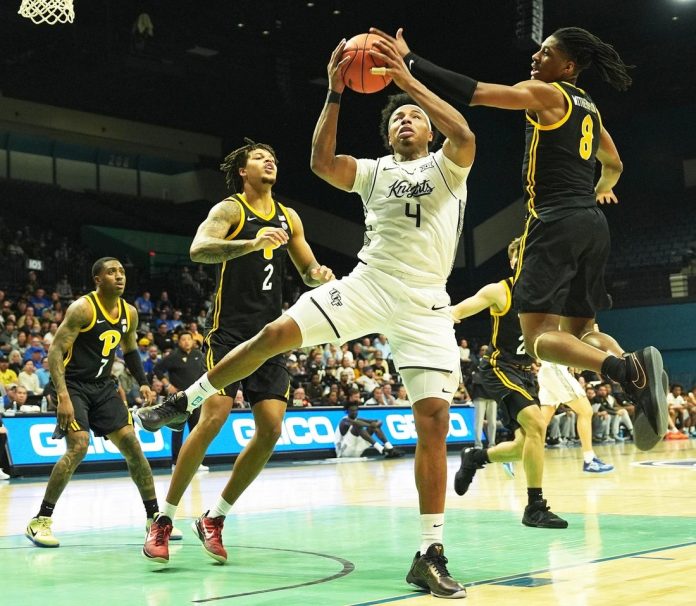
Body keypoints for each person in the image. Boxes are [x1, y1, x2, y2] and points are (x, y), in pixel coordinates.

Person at [137, 39, 475, 599]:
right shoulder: (373, 173)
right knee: (274, 335)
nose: (406, 120)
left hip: (426, 304)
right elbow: (322, 163)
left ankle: (429, 553)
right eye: (397, 118)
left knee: (434, 420)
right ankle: (183, 401)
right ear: (387, 134)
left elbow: (464, 134)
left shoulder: (448, 165)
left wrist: (408, 81)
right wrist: (335, 91)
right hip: (370, 283)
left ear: (429, 129)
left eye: (416, 116)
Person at [370, 26, 668, 451]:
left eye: (546, 53)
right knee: (583, 330)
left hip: (554, 220)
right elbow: (614, 163)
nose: (536, 57)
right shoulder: (590, 109)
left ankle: (627, 371)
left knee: (539, 340)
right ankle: (636, 382)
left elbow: (476, 93)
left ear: (568, 66)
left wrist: (412, 62)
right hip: (593, 224)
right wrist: (600, 188)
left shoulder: (547, 93)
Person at [138, 138, 335, 566]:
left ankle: (215, 517)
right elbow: (198, 250)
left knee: (271, 429)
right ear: (243, 171)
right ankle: (163, 519)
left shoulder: (289, 217)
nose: (270, 161)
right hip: (229, 333)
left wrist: (320, 275)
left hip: (271, 337)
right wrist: (250, 243)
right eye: (260, 158)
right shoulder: (231, 210)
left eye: (273, 157)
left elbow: (307, 270)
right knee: (213, 417)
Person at [24, 258, 181, 550]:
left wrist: (143, 381)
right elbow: (55, 352)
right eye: (111, 272)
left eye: (121, 271)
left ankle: (153, 519)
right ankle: (40, 520)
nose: (119, 276)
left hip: (104, 386)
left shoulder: (130, 312)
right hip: (73, 385)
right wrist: (62, 396)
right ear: (98, 279)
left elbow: (130, 349)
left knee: (132, 446)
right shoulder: (82, 308)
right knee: (78, 446)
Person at [451, 237, 567, 529]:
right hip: (499, 367)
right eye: (519, 257)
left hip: (526, 372)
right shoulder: (499, 291)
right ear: (513, 262)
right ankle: (535, 507)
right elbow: (458, 311)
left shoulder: (545, 296)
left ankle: (476, 457)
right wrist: (443, 315)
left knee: (524, 444)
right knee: (537, 425)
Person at [537, 362, 614, 473]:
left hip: (548, 370)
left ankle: (513, 451)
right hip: (555, 368)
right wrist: (574, 362)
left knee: (540, 424)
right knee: (586, 411)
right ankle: (589, 460)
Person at [152, 331, 208, 472]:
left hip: (196, 398)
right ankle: (176, 462)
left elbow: (205, 372)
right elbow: (157, 369)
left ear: (193, 341)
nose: (186, 342)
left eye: (189, 339)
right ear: (179, 342)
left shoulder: (199, 355)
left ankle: (197, 462)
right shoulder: (173, 356)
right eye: (183, 339)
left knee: (197, 432)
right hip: (179, 399)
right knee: (177, 431)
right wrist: (167, 385)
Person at [335, 401, 403, 458]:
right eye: (352, 410)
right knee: (358, 426)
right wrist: (371, 425)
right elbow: (356, 423)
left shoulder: (358, 419)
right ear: (347, 411)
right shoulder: (344, 421)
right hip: (344, 451)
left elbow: (379, 421)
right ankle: (381, 449)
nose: (355, 412)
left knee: (374, 426)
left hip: (357, 450)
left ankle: (390, 448)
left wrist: (375, 424)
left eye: (356, 410)